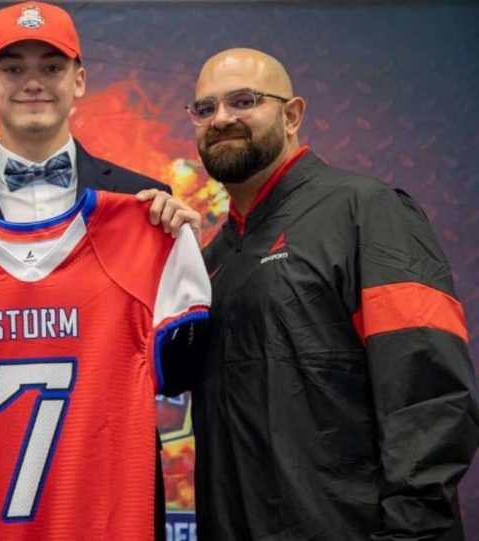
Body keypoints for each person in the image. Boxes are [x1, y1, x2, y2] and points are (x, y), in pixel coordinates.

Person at [0, 3, 202, 539]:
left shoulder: (144, 206)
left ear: (80, 81)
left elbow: (179, 372)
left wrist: (174, 242)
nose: (33, 83)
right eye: (13, 68)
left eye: (51, 67)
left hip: (103, 515)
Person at [187, 47, 479, 540]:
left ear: (292, 114)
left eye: (243, 101)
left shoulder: (367, 211)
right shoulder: (211, 259)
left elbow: (431, 395)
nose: (222, 119)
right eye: (205, 108)